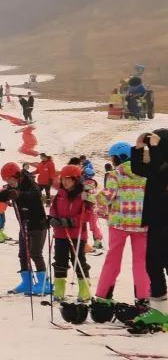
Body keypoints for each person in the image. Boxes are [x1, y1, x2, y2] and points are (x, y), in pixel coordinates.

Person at [0, 162, 51, 296]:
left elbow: (34, 196)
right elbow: (1, 196)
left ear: (17, 175)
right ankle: (27, 283)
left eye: (10, 179)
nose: (9, 183)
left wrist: (18, 194)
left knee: (35, 253)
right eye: (6, 181)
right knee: (23, 254)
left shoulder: (30, 183)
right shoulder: (12, 189)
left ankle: (44, 283)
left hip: (38, 225)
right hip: (24, 226)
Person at [93, 142, 148, 309]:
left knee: (113, 259)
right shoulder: (146, 173)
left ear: (118, 157)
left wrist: (93, 198)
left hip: (119, 224)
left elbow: (107, 197)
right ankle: (143, 298)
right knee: (141, 261)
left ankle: (104, 296)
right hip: (142, 224)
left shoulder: (115, 174)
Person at [131, 130, 168, 305]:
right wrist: (138, 148)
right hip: (155, 222)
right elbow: (138, 169)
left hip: (164, 223)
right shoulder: (157, 164)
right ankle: (160, 308)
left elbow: (158, 171)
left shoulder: (162, 166)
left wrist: (154, 148)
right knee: (152, 264)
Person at [47, 165, 91, 301]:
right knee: (60, 261)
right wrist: (53, 219)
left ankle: (85, 290)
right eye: (63, 179)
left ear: (76, 180)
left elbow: (87, 215)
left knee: (78, 261)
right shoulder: (60, 193)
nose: (65, 182)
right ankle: (59, 289)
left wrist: (71, 221)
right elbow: (53, 209)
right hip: (60, 234)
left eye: (68, 179)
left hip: (77, 235)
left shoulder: (83, 195)